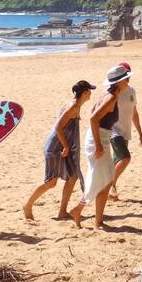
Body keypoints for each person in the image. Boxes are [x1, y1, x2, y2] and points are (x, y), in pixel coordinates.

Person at [68, 67, 131, 230]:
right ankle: (80, 210)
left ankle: (96, 219)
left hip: (100, 137)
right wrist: (98, 144)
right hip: (98, 139)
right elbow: (93, 118)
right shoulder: (110, 97)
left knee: (106, 179)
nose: (128, 81)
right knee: (102, 179)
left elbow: (94, 112)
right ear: (118, 82)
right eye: (126, 79)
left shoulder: (111, 95)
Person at [23, 80, 95, 221]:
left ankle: (62, 212)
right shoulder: (73, 106)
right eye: (90, 91)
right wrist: (66, 147)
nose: (91, 93)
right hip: (56, 148)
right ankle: (27, 205)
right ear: (85, 92)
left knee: (73, 177)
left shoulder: (75, 104)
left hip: (61, 146)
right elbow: (58, 127)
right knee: (51, 182)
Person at [107, 64, 142, 199]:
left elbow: (134, 112)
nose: (127, 79)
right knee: (125, 158)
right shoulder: (111, 93)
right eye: (125, 76)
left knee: (116, 161)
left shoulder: (132, 91)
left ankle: (111, 189)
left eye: (128, 75)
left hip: (125, 131)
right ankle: (109, 186)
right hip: (113, 131)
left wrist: (140, 133)